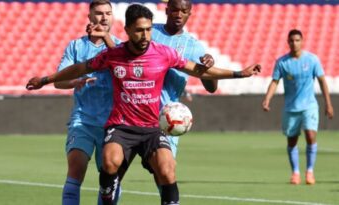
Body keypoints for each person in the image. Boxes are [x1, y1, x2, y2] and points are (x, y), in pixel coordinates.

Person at [26, 4, 261, 204]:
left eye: (148, 30)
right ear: (127, 30)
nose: (145, 36)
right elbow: (80, 67)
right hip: (121, 126)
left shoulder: (164, 53)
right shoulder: (113, 54)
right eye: (139, 31)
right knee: (110, 163)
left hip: (151, 127)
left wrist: (240, 74)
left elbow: (198, 70)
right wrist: (45, 79)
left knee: (167, 169)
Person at [55, 1, 121, 204]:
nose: (104, 17)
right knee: (75, 169)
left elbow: (125, 72)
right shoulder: (76, 46)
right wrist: (76, 81)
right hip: (83, 120)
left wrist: (105, 38)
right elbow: (59, 81)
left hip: (113, 124)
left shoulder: (120, 47)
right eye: (99, 13)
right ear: (90, 17)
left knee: (109, 179)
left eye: (108, 13)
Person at [262, 29, 334, 185]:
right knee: (292, 141)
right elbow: (275, 81)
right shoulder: (282, 62)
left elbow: (322, 81)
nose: (294, 43)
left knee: (310, 136)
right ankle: (295, 172)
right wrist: (268, 98)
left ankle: (310, 171)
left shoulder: (312, 60)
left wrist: (328, 103)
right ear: (288, 42)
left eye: (297, 40)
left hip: (309, 106)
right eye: (292, 41)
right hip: (290, 108)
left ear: (302, 41)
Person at [152, 0, 217, 158]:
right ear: (167, 10)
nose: (179, 15)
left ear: (190, 14)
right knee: (115, 164)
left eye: (184, 11)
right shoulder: (150, 32)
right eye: (175, 10)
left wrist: (207, 66)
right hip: (137, 110)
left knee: (165, 172)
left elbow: (211, 87)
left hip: (167, 117)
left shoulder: (194, 47)